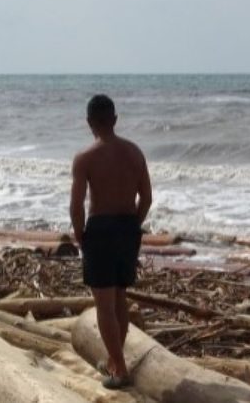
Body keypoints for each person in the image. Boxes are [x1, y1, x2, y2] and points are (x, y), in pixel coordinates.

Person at [69, 94, 152, 389]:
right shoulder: (135, 152)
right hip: (128, 228)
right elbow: (147, 198)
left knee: (104, 304)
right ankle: (114, 359)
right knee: (119, 299)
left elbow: (77, 205)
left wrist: (80, 234)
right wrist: (133, 225)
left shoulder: (85, 158)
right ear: (115, 120)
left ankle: (120, 371)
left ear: (89, 122)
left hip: (101, 229)